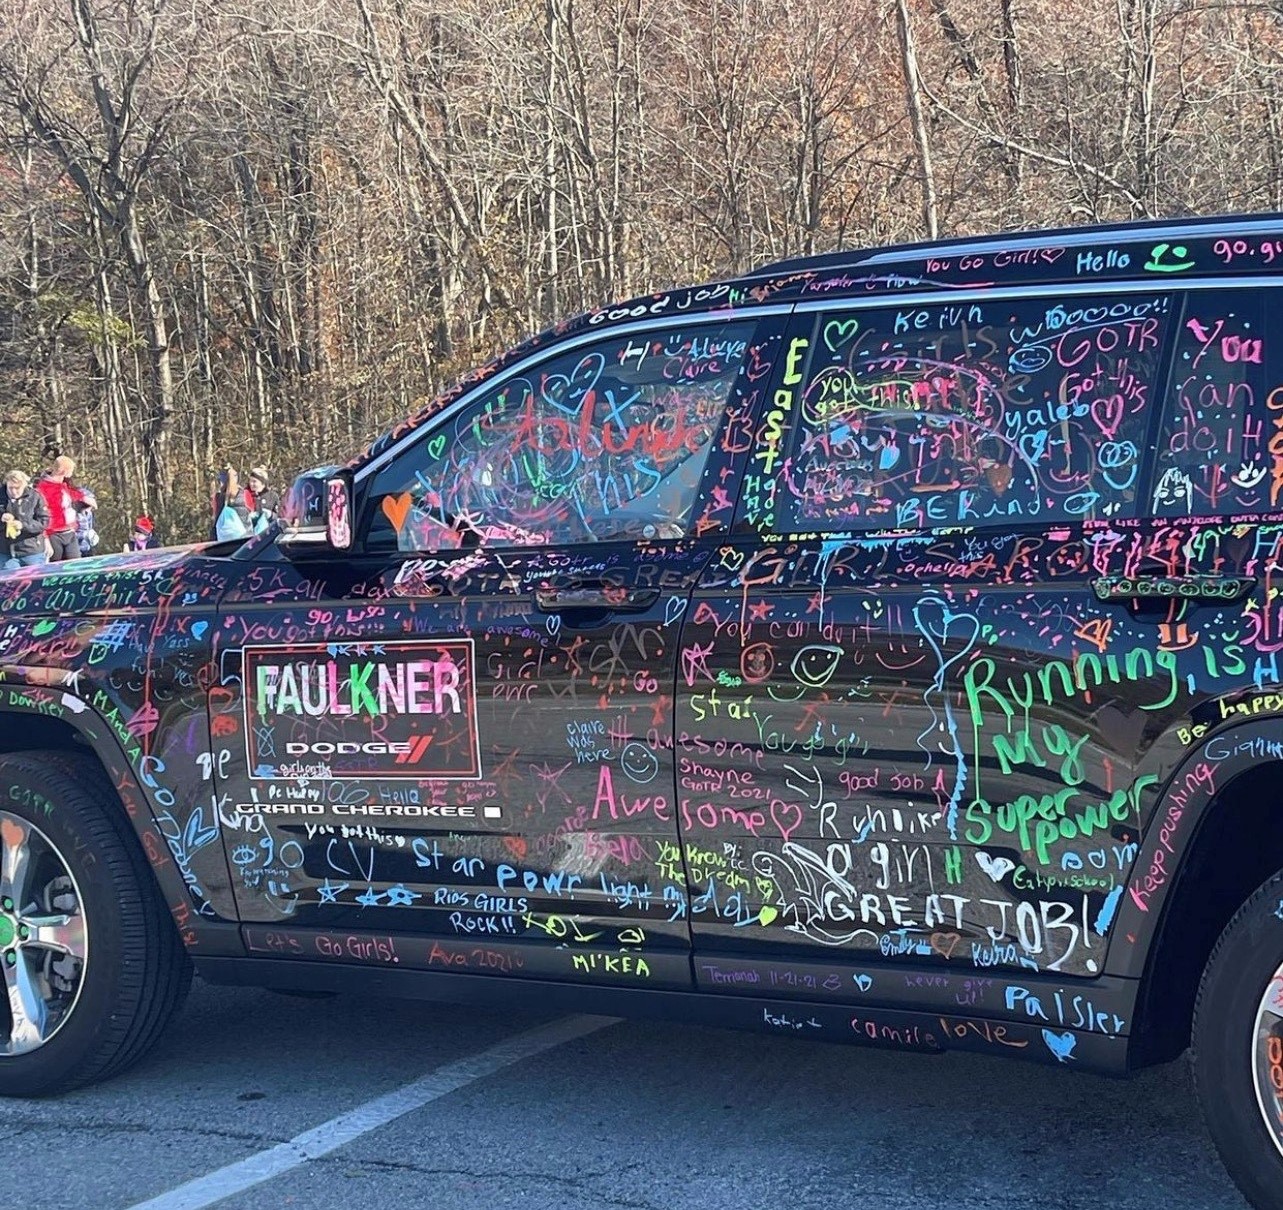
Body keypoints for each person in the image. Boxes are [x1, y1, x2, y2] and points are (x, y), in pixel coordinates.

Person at [37, 455, 93, 562]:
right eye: (70, 470)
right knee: (57, 565)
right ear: (64, 471)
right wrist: (45, 538)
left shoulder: (62, 484)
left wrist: (84, 498)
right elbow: (41, 515)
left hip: (70, 531)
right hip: (54, 533)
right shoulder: (44, 488)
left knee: (76, 563)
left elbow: (69, 494)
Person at [1, 469, 52, 571]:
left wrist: (22, 525)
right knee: (9, 585)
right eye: (10, 488)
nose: (14, 492)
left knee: (35, 584)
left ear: (24, 485)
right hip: (5, 552)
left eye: (17, 488)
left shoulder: (35, 497)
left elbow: (44, 522)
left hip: (32, 551)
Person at [211, 465, 255, 540]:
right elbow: (251, 510)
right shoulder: (245, 493)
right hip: (244, 534)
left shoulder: (218, 497)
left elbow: (215, 515)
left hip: (223, 536)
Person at [246, 465, 280, 531]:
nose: (251, 484)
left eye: (254, 481)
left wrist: (271, 515)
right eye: (250, 481)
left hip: (268, 533)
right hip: (249, 532)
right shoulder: (247, 494)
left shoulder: (272, 496)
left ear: (262, 482)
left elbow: (280, 516)